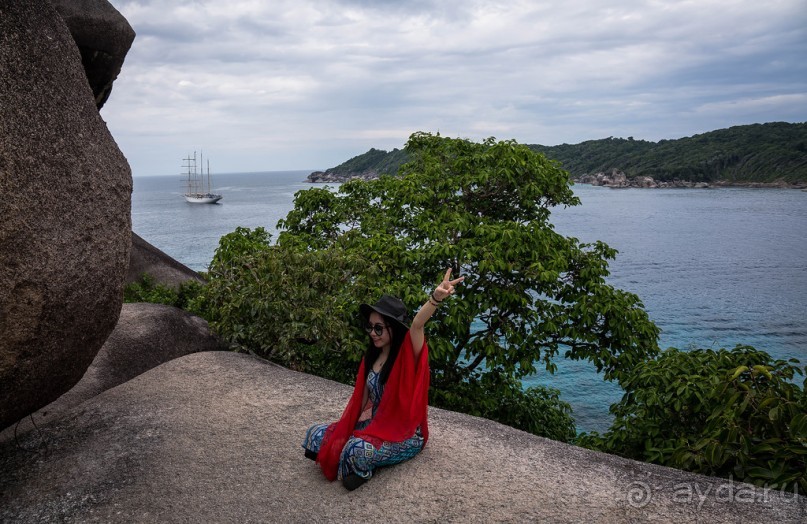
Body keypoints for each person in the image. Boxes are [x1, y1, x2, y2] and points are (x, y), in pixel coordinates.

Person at [302, 268, 464, 490]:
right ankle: (348, 456)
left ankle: (362, 469)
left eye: (379, 327)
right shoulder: (372, 357)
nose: (372, 333)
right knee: (317, 433)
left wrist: (435, 298)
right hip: (377, 425)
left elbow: (417, 324)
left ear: (394, 328)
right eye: (369, 326)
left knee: (356, 449)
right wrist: (343, 431)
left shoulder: (409, 354)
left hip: (405, 433)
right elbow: (360, 403)